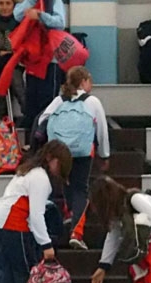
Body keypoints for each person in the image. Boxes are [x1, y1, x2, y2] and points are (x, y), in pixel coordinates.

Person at [0, 140, 72, 283]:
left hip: (0, 221)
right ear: (52, 159)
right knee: (25, 272)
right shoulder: (41, 178)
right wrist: (46, 244)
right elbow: (36, 214)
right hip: (14, 223)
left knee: (10, 271)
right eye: (61, 164)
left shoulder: (27, 171)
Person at [37, 66, 110, 249]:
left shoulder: (59, 100)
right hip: (83, 151)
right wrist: (104, 155)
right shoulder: (92, 101)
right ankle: (77, 232)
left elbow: (42, 120)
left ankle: (70, 215)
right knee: (81, 189)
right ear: (84, 81)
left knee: (67, 182)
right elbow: (102, 130)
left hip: (61, 150)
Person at [13, 0, 66, 136]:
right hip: (33, 61)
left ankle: (46, 144)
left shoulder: (55, 2)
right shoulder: (30, 1)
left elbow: (60, 23)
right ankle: (32, 145)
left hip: (50, 60)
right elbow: (17, 14)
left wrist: (41, 16)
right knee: (31, 106)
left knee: (48, 105)